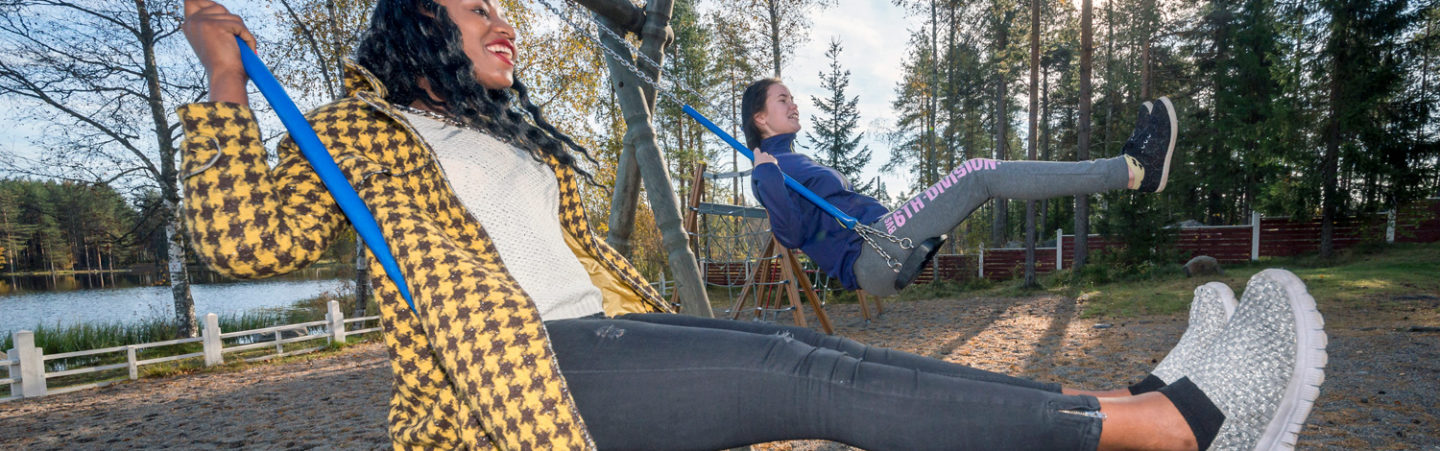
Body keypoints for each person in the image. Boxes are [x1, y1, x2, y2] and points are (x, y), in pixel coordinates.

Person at [179, 1, 1325, 450]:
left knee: (818, 357)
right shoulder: (356, 134)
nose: (506, 21)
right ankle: (1173, 427)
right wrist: (227, 92)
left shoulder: (509, 139)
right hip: (518, 376)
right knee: (799, 365)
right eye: (478, 6)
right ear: (416, 24)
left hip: (600, 338)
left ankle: (1129, 403)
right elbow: (240, 241)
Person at [743, 79, 1177, 297]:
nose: (793, 103)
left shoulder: (793, 160)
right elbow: (792, 235)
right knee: (978, 172)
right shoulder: (771, 169)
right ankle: (1131, 169)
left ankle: (1129, 169)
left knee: (979, 174)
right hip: (869, 257)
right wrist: (764, 175)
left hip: (882, 236)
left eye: (791, 97)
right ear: (761, 119)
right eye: (783, 100)